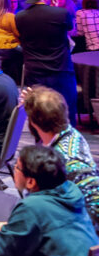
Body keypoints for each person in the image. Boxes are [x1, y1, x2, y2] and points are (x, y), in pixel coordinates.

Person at [23, 86, 99, 230]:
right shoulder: (69, 132)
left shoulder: (66, 159)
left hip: (75, 234)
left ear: (33, 122)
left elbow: (95, 208)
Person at [16, 0, 77, 125]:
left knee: (39, 111)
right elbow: (70, 29)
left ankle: (41, 143)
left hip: (34, 70)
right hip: (61, 69)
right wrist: (54, 8)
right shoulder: (61, 13)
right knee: (66, 110)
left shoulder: (20, 17)